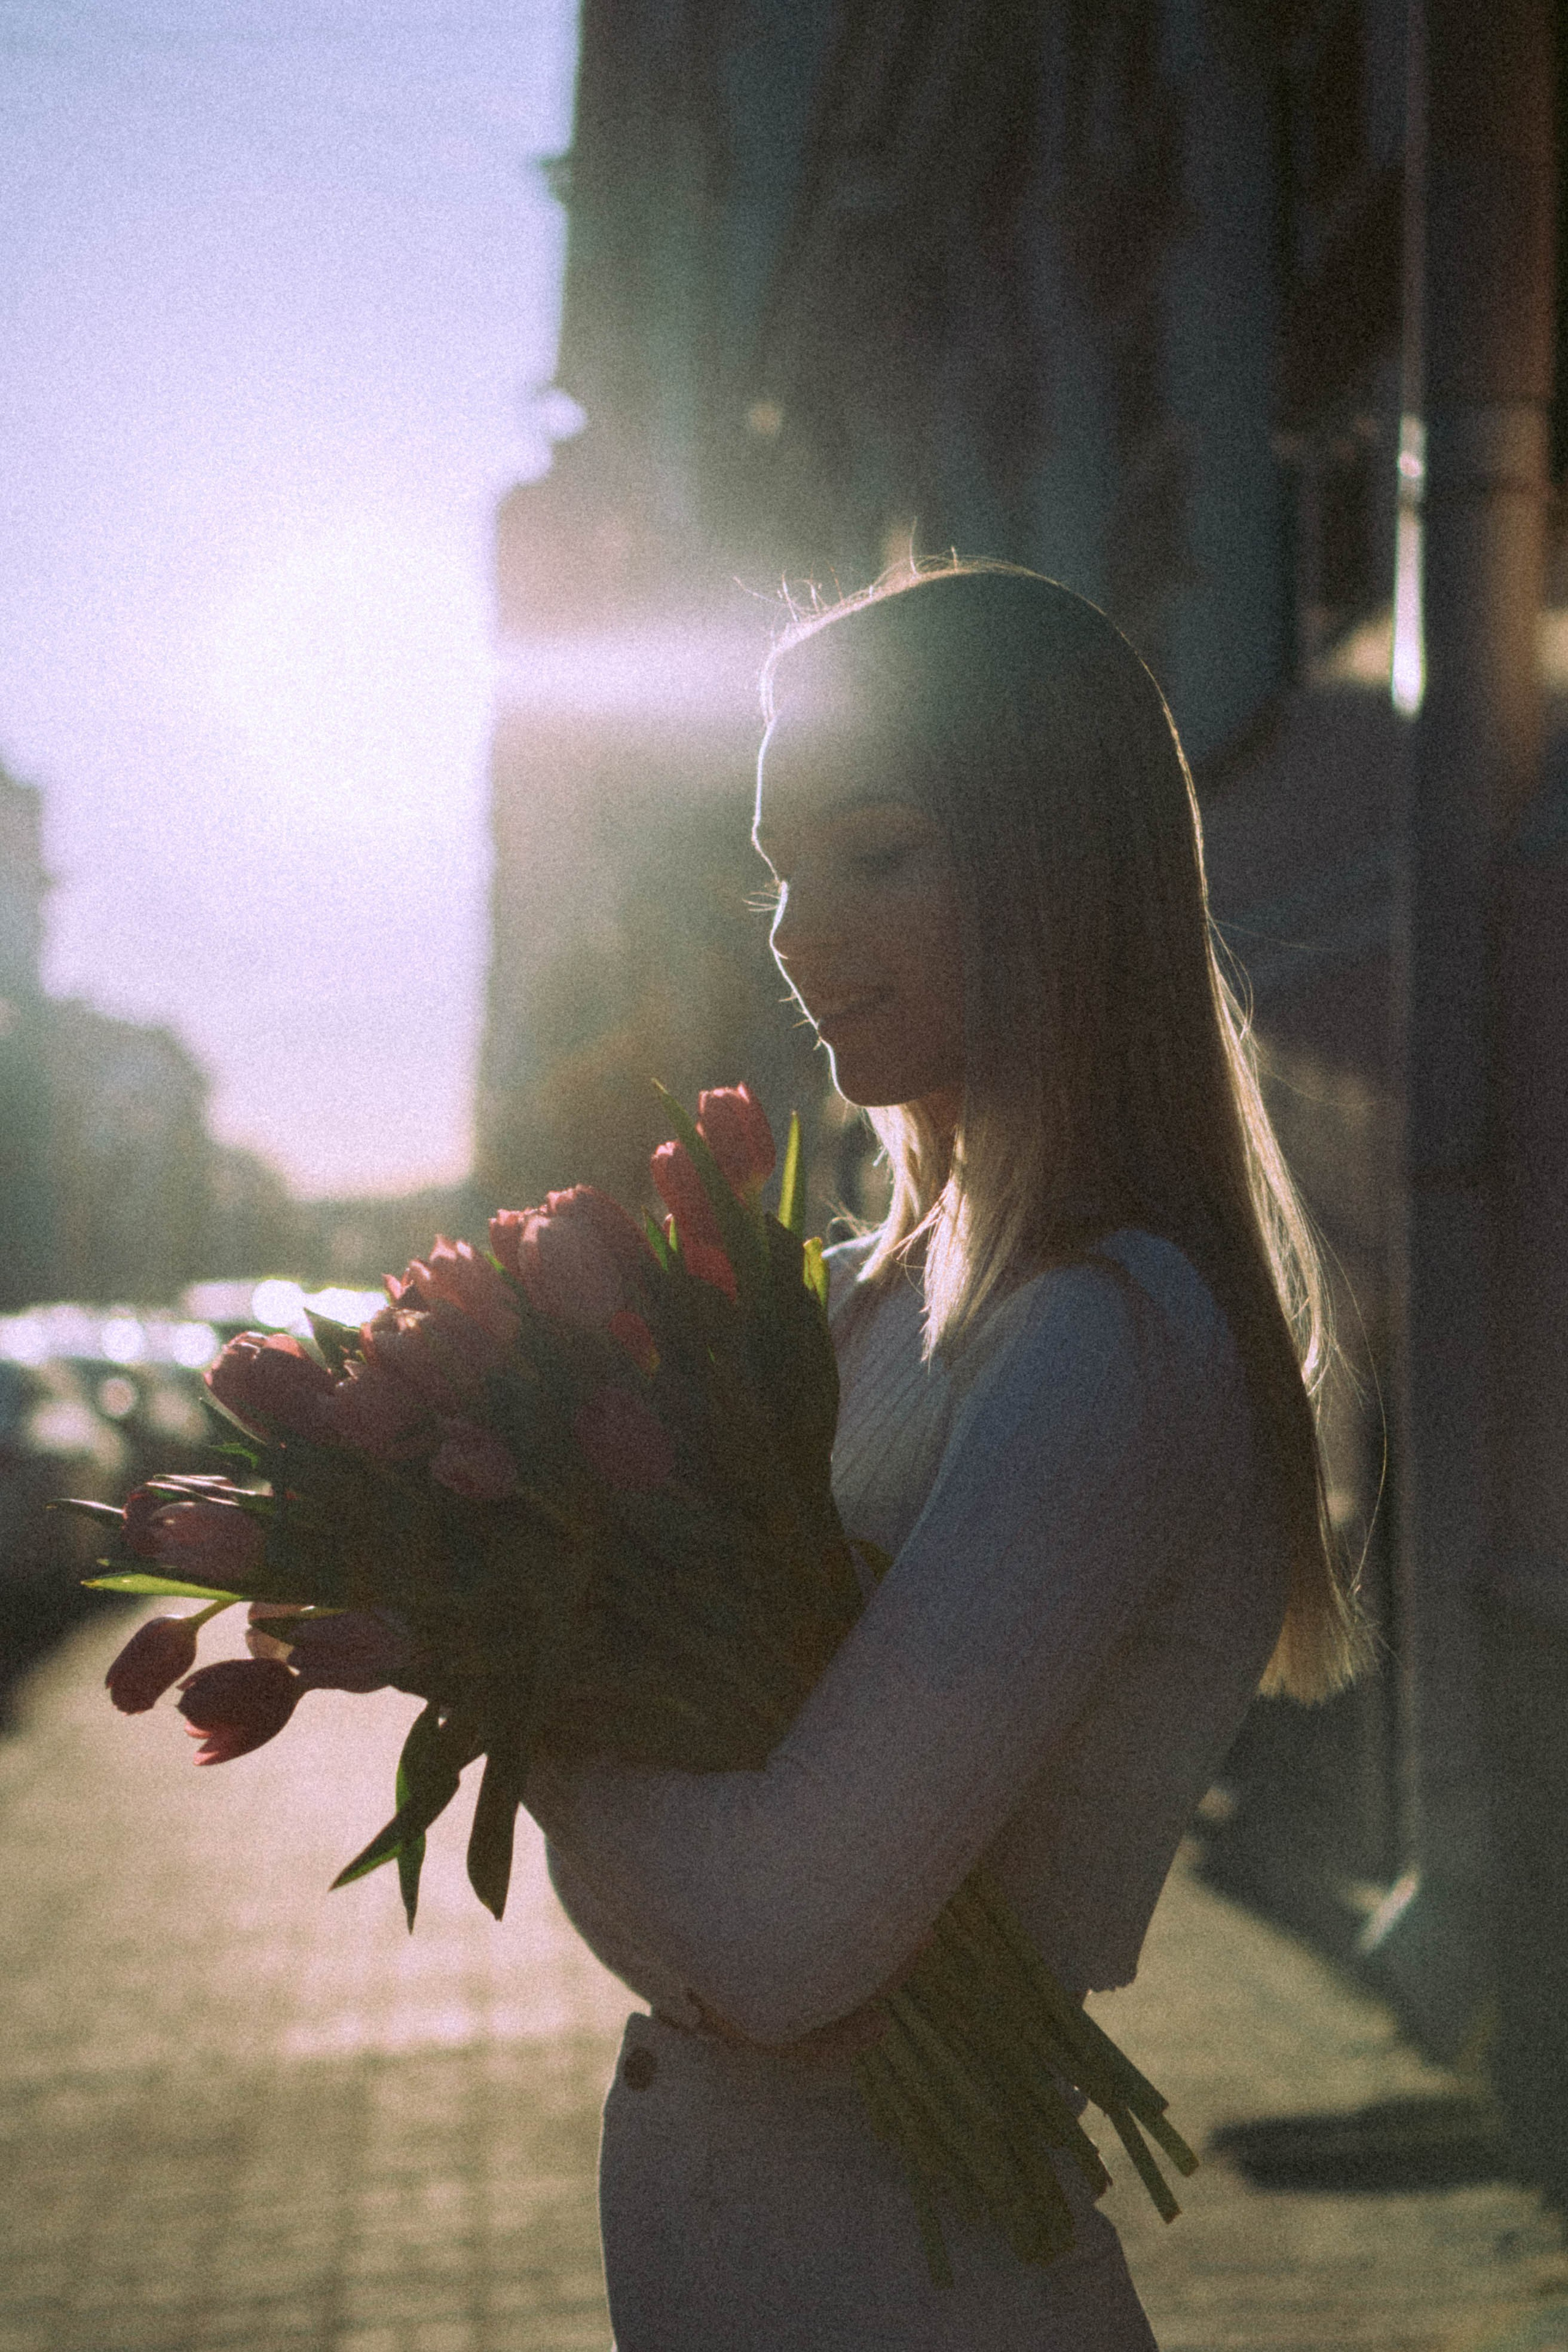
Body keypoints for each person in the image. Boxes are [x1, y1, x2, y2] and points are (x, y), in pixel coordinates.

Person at [525, 561, 1365, 2349]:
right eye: (778, 869)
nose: (793, 932)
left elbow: (774, 1938)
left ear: (1059, 864)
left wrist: (522, 1698)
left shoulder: (1110, 1338)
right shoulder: (860, 1304)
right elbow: (753, 1907)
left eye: (877, 852)